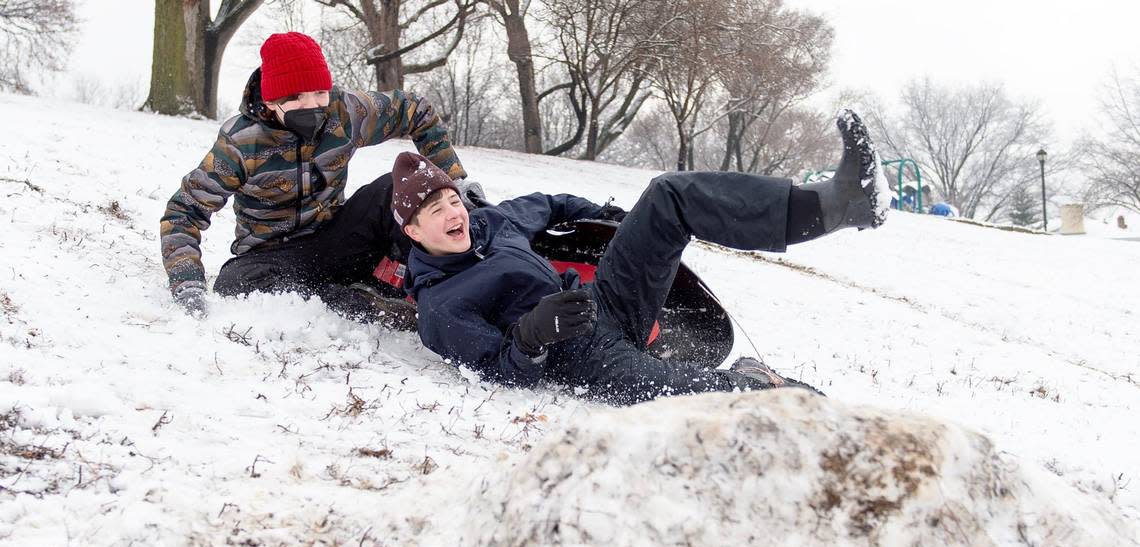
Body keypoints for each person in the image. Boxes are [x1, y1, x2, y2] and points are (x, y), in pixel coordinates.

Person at [393, 110, 889, 405]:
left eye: (453, 200)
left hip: (604, 301)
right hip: (584, 359)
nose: (454, 213)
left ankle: (838, 204)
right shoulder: (441, 306)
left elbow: (548, 203)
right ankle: (794, 400)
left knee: (668, 195)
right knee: (705, 394)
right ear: (414, 230)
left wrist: (607, 217)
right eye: (436, 210)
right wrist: (532, 333)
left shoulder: (490, 222)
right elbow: (500, 370)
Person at [159, 31, 480, 322]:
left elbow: (415, 111)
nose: (312, 105)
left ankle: (449, 280)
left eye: (319, 93)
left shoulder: (345, 112)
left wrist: (456, 183)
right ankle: (366, 303)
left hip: (338, 237)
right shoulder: (242, 142)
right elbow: (183, 213)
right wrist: (187, 284)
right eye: (297, 97)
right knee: (233, 284)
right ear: (271, 101)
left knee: (396, 188)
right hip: (277, 256)